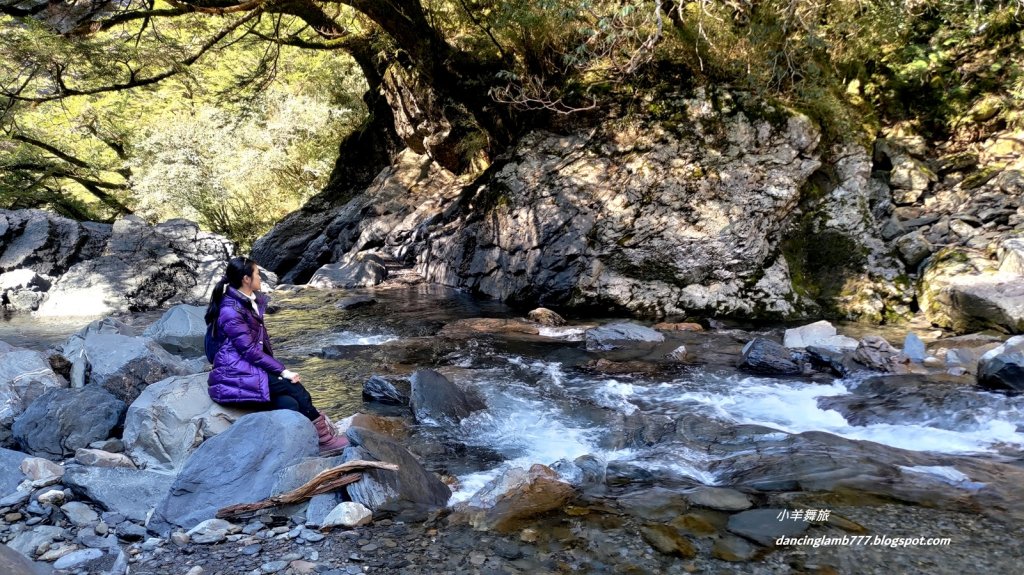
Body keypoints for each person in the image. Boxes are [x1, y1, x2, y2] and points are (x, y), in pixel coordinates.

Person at [204, 256, 348, 454]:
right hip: (233, 372)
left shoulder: (247, 301)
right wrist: (283, 371)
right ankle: (325, 440)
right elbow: (249, 350)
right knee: (296, 388)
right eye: (257, 274)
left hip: (246, 366)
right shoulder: (231, 310)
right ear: (246, 279)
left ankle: (306, 439)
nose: (260, 278)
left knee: (290, 404)